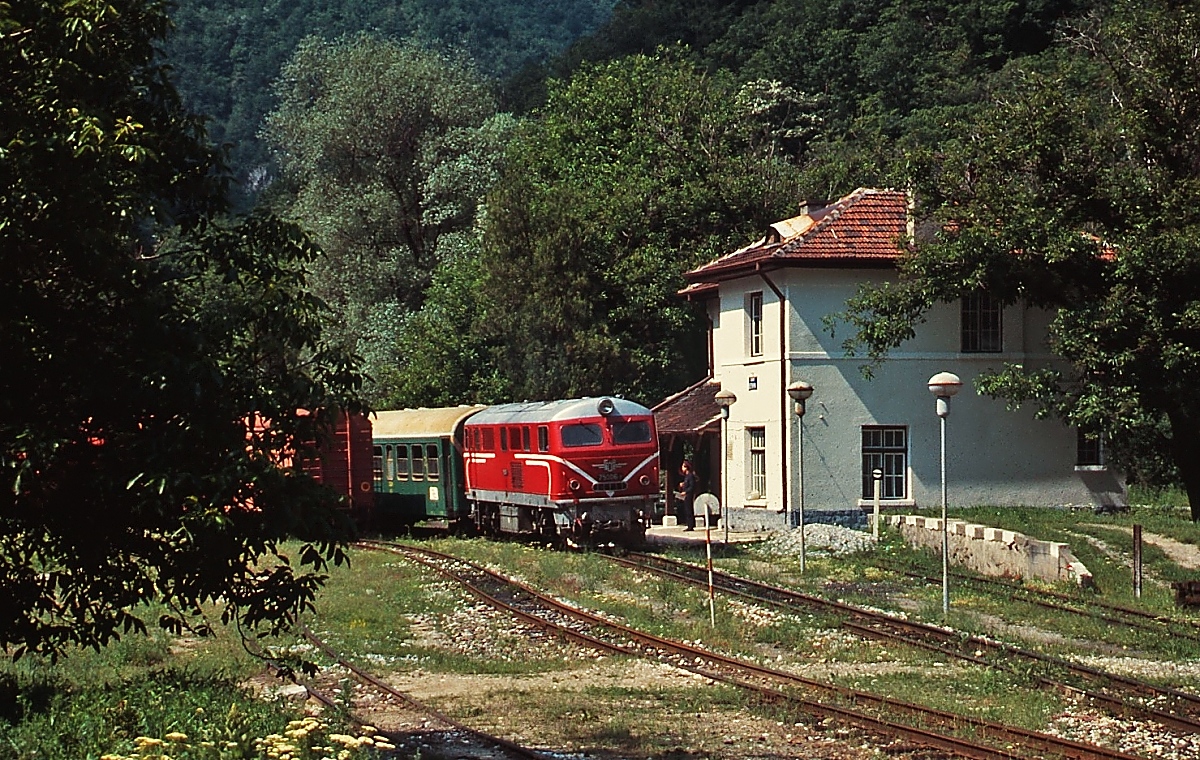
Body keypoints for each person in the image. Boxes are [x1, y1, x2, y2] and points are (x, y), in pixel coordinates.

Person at [677, 460, 696, 530]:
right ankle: (689, 524)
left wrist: (686, 492)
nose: (682, 468)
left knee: (689, 510)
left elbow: (692, 486)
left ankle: (690, 525)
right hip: (686, 495)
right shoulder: (686, 476)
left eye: (683, 466)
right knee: (686, 509)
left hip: (688, 495)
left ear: (686, 467)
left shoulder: (690, 475)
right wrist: (683, 484)